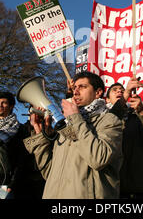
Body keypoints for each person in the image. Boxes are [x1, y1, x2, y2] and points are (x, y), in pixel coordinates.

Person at [24, 71, 123, 199]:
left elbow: (98, 159)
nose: (75, 92)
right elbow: (49, 172)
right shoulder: (68, 125)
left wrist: (75, 118)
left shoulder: (110, 121)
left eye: (82, 87)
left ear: (98, 92)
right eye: (75, 87)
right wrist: (39, 134)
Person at [105, 80, 143, 198]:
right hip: (112, 188)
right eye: (115, 90)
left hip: (142, 188)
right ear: (107, 99)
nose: (119, 90)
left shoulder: (139, 115)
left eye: (122, 90)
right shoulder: (101, 118)